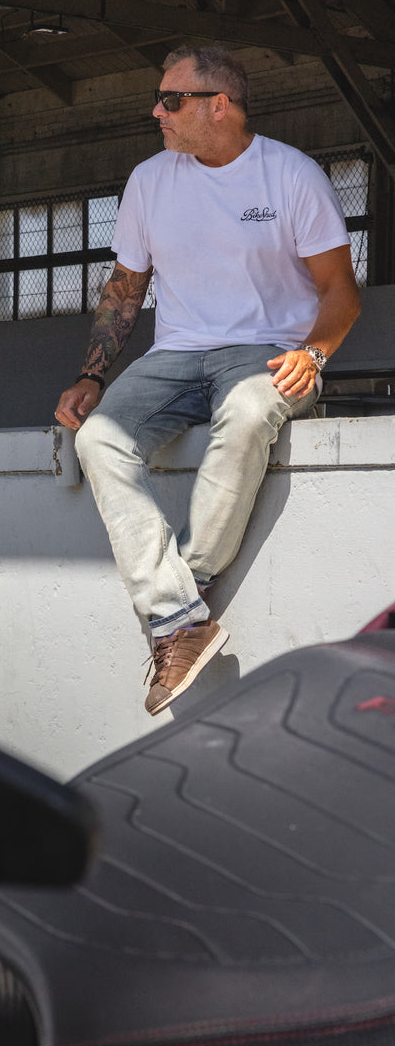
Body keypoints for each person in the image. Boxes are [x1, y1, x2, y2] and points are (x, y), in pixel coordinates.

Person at [55, 44, 360, 716]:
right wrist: (91, 374)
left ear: (218, 106)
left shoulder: (289, 175)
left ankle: (182, 595)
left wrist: (314, 352)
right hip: (175, 357)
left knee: (252, 411)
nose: (155, 111)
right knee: (98, 440)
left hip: (267, 350)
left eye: (171, 100)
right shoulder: (150, 180)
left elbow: (340, 290)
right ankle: (180, 617)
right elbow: (126, 288)